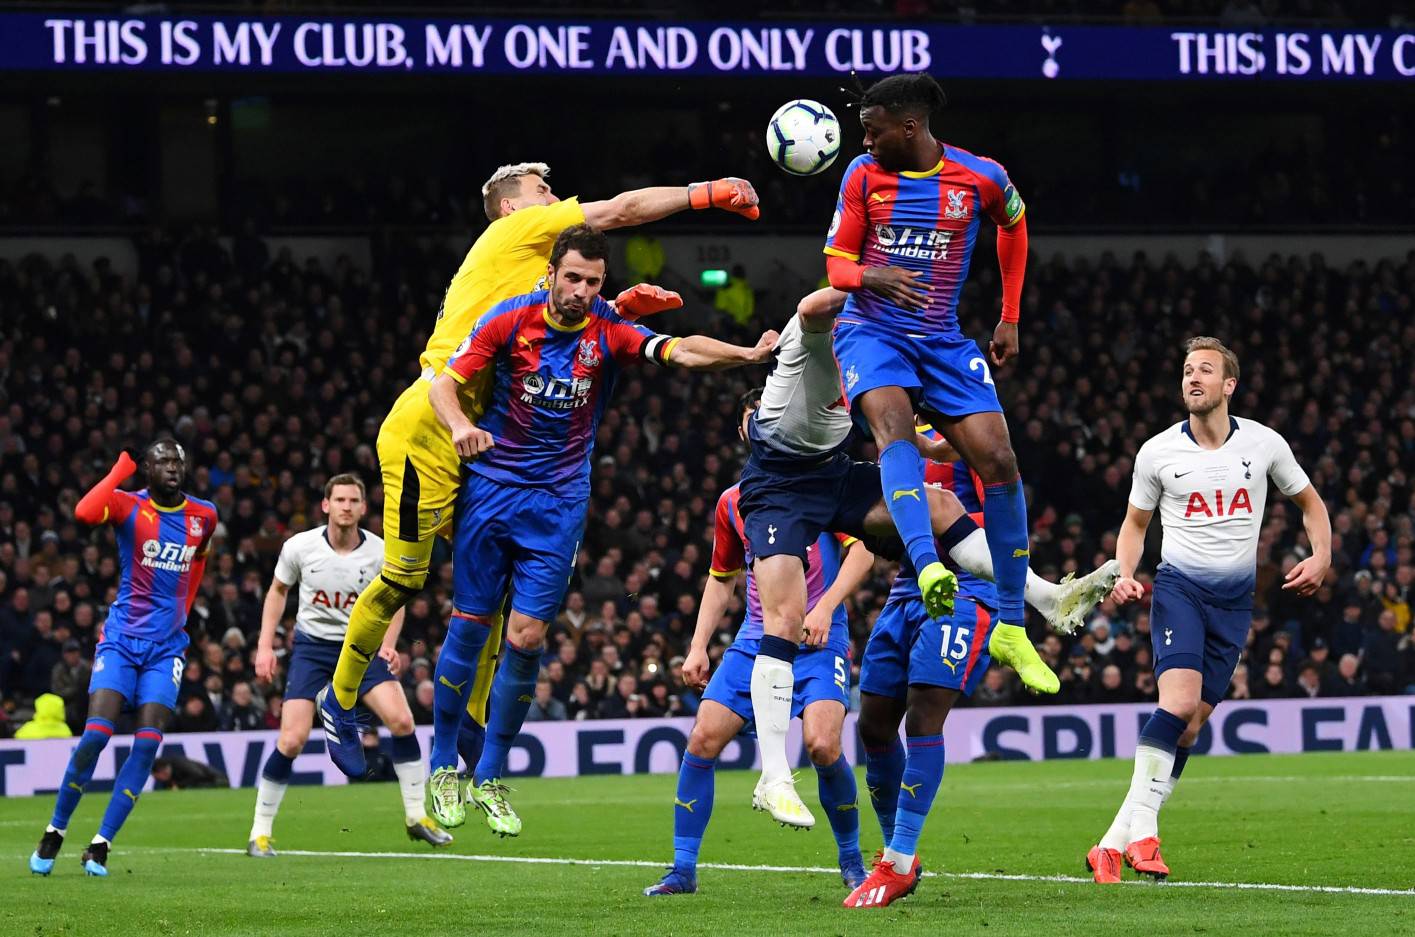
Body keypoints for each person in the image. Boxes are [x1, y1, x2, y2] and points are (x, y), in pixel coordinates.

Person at [322, 163, 762, 771]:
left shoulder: (529, 278)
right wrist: (706, 194)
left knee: (493, 593)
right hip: (431, 424)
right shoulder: (518, 230)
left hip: (483, 440)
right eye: (543, 191)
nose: (556, 199)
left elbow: (562, 330)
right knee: (404, 578)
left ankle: (474, 726)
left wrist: (623, 306)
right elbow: (623, 210)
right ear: (513, 208)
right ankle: (339, 700)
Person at [419, 224, 777, 836]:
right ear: (552, 273)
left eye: (594, 282)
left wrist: (745, 356)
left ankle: (491, 776)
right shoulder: (510, 320)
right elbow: (443, 385)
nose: (583, 291)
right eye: (574, 279)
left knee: (527, 638)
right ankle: (441, 764)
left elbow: (680, 350)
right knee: (472, 626)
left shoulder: (608, 329)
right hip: (494, 492)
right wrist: (457, 427)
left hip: (558, 504)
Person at [735, 287, 1116, 828]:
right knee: (786, 618)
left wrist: (961, 439)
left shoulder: (878, 360)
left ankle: (1046, 596)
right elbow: (809, 308)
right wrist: (866, 286)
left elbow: (922, 444)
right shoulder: (830, 333)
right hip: (777, 482)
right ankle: (773, 778)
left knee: (940, 503)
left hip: (832, 475)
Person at [822, 73, 1050, 701]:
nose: (864, 141)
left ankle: (1010, 623)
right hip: (872, 334)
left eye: (874, 130)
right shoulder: (862, 177)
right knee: (892, 429)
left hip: (943, 339)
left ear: (911, 126)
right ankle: (926, 565)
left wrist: (1008, 316)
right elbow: (837, 264)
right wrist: (873, 274)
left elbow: (1014, 226)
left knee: (1000, 461)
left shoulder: (980, 177)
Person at [1086, 336, 1330, 884]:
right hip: (1180, 590)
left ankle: (1110, 844)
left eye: (1205, 370)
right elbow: (1135, 526)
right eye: (1187, 370)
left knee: (1192, 727)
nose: (1193, 378)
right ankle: (1145, 834)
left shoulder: (1265, 444)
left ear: (1228, 386)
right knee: (1178, 703)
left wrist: (1322, 556)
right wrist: (1125, 574)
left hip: (1234, 603)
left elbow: (1310, 503)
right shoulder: (1157, 453)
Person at [644, 390, 874, 898]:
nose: (761, 425)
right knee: (702, 740)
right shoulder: (734, 500)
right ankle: (683, 869)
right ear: (746, 432)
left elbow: (862, 557)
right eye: (753, 420)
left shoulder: (828, 486)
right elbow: (721, 578)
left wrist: (825, 607)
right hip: (755, 641)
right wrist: (699, 645)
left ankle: (853, 862)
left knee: (823, 745)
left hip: (820, 640)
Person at [29, 440, 217, 877]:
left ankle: (101, 843)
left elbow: (199, 561)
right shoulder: (128, 505)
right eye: (162, 462)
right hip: (122, 641)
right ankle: (55, 830)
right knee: (96, 735)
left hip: (166, 648)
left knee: (148, 743)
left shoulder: (204, 515)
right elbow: (83, 512)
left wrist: (183, 609)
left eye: (178, 462)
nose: (172, 468)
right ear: (147, 470)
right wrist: (119, 469)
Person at [248, 474, 450, 858]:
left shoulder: (379, 551)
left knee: (403, 722)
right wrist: (264, 646)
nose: (345, 506)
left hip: (362, 647)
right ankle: (259, 833)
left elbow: (397, 599)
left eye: (353, 500)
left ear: (362, 507)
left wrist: (389, 645)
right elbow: (277, 591)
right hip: (312, 649)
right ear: (326, 505)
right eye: (339, 499)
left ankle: (415, 817)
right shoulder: (299, 547)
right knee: (290, 740)